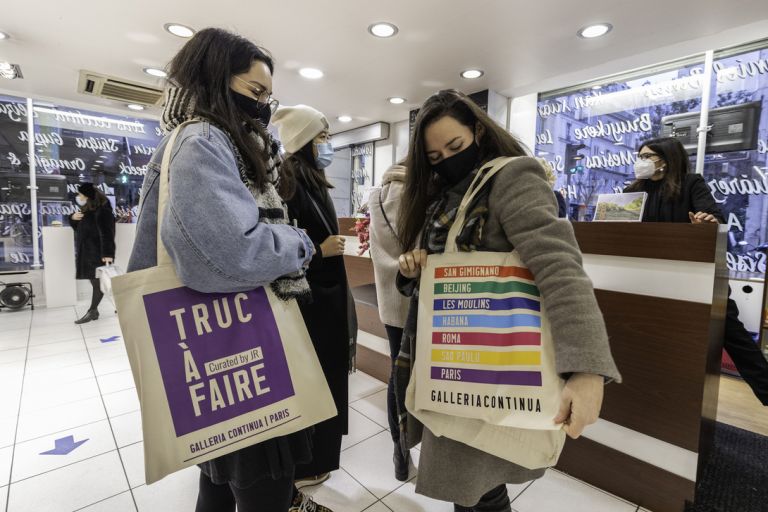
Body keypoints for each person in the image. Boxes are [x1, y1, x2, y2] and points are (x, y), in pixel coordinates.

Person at [126, 28, 334, 512]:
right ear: (216, 78)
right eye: (255, 91)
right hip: (237, 347)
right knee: (263, 485)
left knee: (220, 481)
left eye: (268, 94)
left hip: (219, 350)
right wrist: (301, 242)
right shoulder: (203, 140)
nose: (262, 106)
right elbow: (231, 256)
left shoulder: (205, 139)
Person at [394, 90, 621, 512]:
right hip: (452, 361)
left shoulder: (510, 177)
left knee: (475, 488)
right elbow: (438, 273)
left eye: (456, 146)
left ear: (479, 130)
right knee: (477, 490)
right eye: (436, 156)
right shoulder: (444, 195)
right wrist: (412, 268)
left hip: (490, 367)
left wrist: (587, 369)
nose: (446, 158)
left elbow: (560, 267)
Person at [626, 136, 768, 406]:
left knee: (734, 337)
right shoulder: (634, 190)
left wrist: (707, 220)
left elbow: (715, 219)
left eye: (647, 157)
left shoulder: (691, 184)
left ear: (666, 161)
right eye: (639, 157)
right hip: (650, 279)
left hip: (696, 278)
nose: (641, 162)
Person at [273, 104, 357, 490]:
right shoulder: (288, 182)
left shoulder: (311, 178)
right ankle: (308, 463)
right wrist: (321, 250)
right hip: (310, 304)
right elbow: (280, 247)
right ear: (304, 141)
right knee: (316, 382)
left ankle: (315, 459)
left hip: (324, 299)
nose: (327, 144)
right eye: (321, 137)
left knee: (327, 380)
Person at [368, 161, 412, 481]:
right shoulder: (414, 196)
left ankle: (399, 449)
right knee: (416, 375)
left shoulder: (376, 197)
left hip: (388, 300)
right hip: (413, 298)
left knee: (396, 371)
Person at [69, 182, 115, 324]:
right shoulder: (87, 208)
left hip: (97, 253)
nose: (78, 196)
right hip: (87, 252)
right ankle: (100, 309)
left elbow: (108, 233)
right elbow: (80, 229)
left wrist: (108, 253)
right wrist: (72, 218)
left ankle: (92, 310)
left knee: (98, 283)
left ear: (87, 194)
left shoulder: (102, 210)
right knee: (96, 282)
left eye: (80, 194)